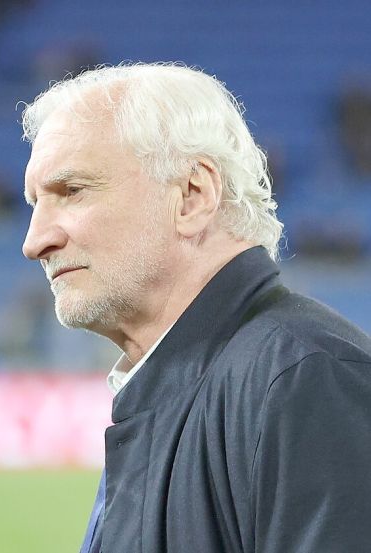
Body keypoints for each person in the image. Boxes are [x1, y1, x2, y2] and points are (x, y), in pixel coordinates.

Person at [19, 63, 371, 552]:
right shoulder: (171, 388)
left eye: (72, 191)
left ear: (191, 196)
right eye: (35, 203)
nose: (35, 241)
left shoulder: (303, 379)